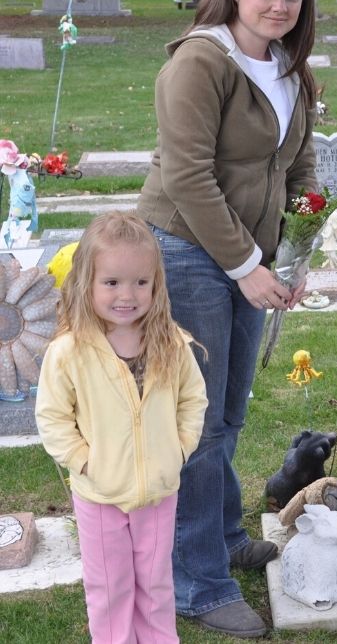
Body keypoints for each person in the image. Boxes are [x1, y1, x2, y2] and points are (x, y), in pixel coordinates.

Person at [137, 0, 318, 638]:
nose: (279, 6)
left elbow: (298, 168)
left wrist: (294, 255)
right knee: (198, 425)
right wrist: (248, 268)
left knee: (230, 415)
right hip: (187, 251)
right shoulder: (199, 63)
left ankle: (219, 538)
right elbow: (186, 175)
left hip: (249, 260)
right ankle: (198, 583)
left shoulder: (287, 66)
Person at [35, 212, 208, 643]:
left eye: (140, 283)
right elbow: (53, 417)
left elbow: (193, 400)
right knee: (110, 589)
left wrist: (179, 449)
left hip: (158, 494)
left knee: (155, 585)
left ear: (156, 285)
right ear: (86, 283)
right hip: (100, 497)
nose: (126, 295)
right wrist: (85, 461)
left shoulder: (170, 341)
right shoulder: (69, 351)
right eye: (111, 282)